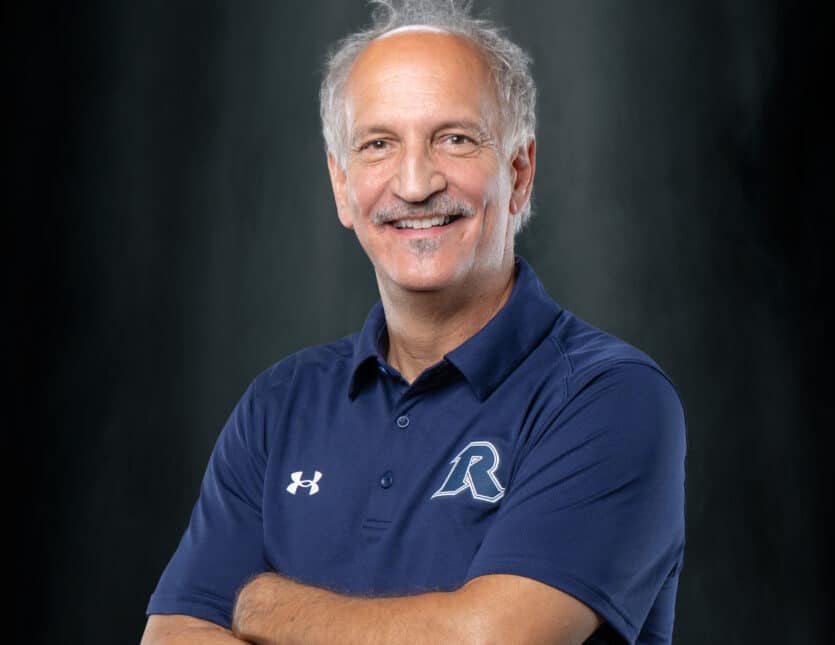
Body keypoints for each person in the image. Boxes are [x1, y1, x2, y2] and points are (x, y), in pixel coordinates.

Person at [141, 1, 686, 643]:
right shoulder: (279, 405)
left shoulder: (611, 399)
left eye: (455, 139)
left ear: (518, 174)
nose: (415, 182)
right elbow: (171, 634)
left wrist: (260, 605)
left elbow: (488, 640)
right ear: (342, 186)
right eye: (379, 145)